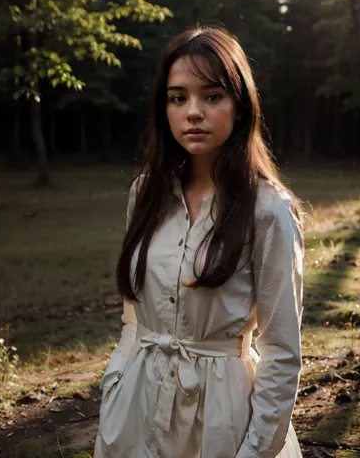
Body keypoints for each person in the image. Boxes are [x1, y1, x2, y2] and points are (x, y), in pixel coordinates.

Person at [94, 26, 304, 458]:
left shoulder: (268, 211)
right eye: (178, 97)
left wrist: (257, 451)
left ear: (240, 107)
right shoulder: (146, 194)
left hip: (221, 420)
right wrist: (116, 384)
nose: (193, 112)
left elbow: (282, 351)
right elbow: (133, 316)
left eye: (212, 96)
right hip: (136, 405)